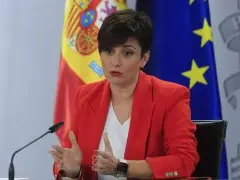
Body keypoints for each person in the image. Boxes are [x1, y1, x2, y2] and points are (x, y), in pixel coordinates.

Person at [49, 9, 199, 180]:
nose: (116, 62)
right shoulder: (86, 96)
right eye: (108, 51)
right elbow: (70, 154)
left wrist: (122, 167)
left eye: (127, 53)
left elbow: (184, 161)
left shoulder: (170, 96)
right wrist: (72, 170)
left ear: (144, 58)